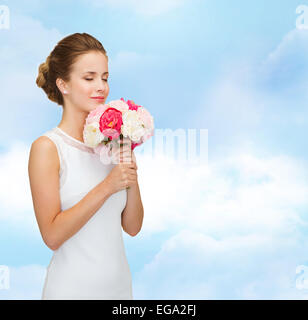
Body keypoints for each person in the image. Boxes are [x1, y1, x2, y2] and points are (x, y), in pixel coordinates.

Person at [28, 32, 144, 299]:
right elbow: (52, 236)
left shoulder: (114, 144)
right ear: (63, 84)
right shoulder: (48, 148)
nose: (101, 86)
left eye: (104, 78)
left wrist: (130, 172)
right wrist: (107, 186)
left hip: (119, 291)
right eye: (89, 78)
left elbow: (133, 227)